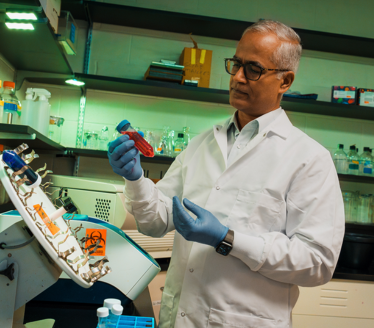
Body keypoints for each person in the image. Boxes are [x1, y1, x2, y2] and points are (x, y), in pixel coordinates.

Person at [108, 19, 345, 328]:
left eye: (253, 69)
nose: (238, 77)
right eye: (235, 64)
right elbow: (155, 221)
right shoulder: (203, 142)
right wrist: (135, 179)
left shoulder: (309, 159)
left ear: (285, 81)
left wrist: (227, 239)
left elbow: (317, 263)